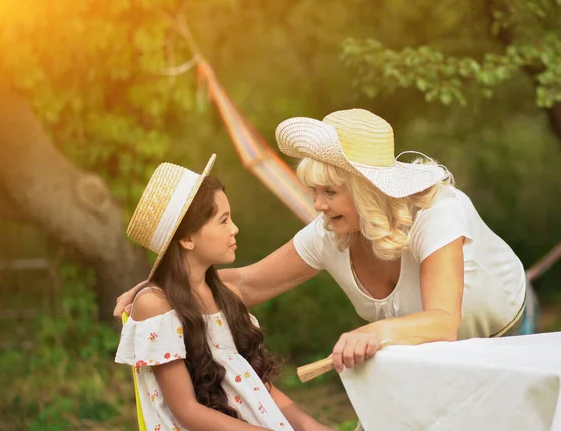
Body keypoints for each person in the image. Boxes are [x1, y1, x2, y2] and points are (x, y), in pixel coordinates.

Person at [115, 109, 534, 377]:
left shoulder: (439, 213)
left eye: (329, 192)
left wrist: (374, 332)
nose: (317, 205)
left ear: (368, 190)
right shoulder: (329, 233)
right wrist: (161, 290)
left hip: (504, 333)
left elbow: (443, 322)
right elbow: (246, 285)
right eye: (313, 191)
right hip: (427, 354)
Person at [115, 155, 335, 431]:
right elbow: (187, 411)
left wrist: (309, 426)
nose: (235, 229)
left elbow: (256, 385)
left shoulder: (224, 297)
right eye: (223, 221)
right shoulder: (156, 307)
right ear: (186, 239)